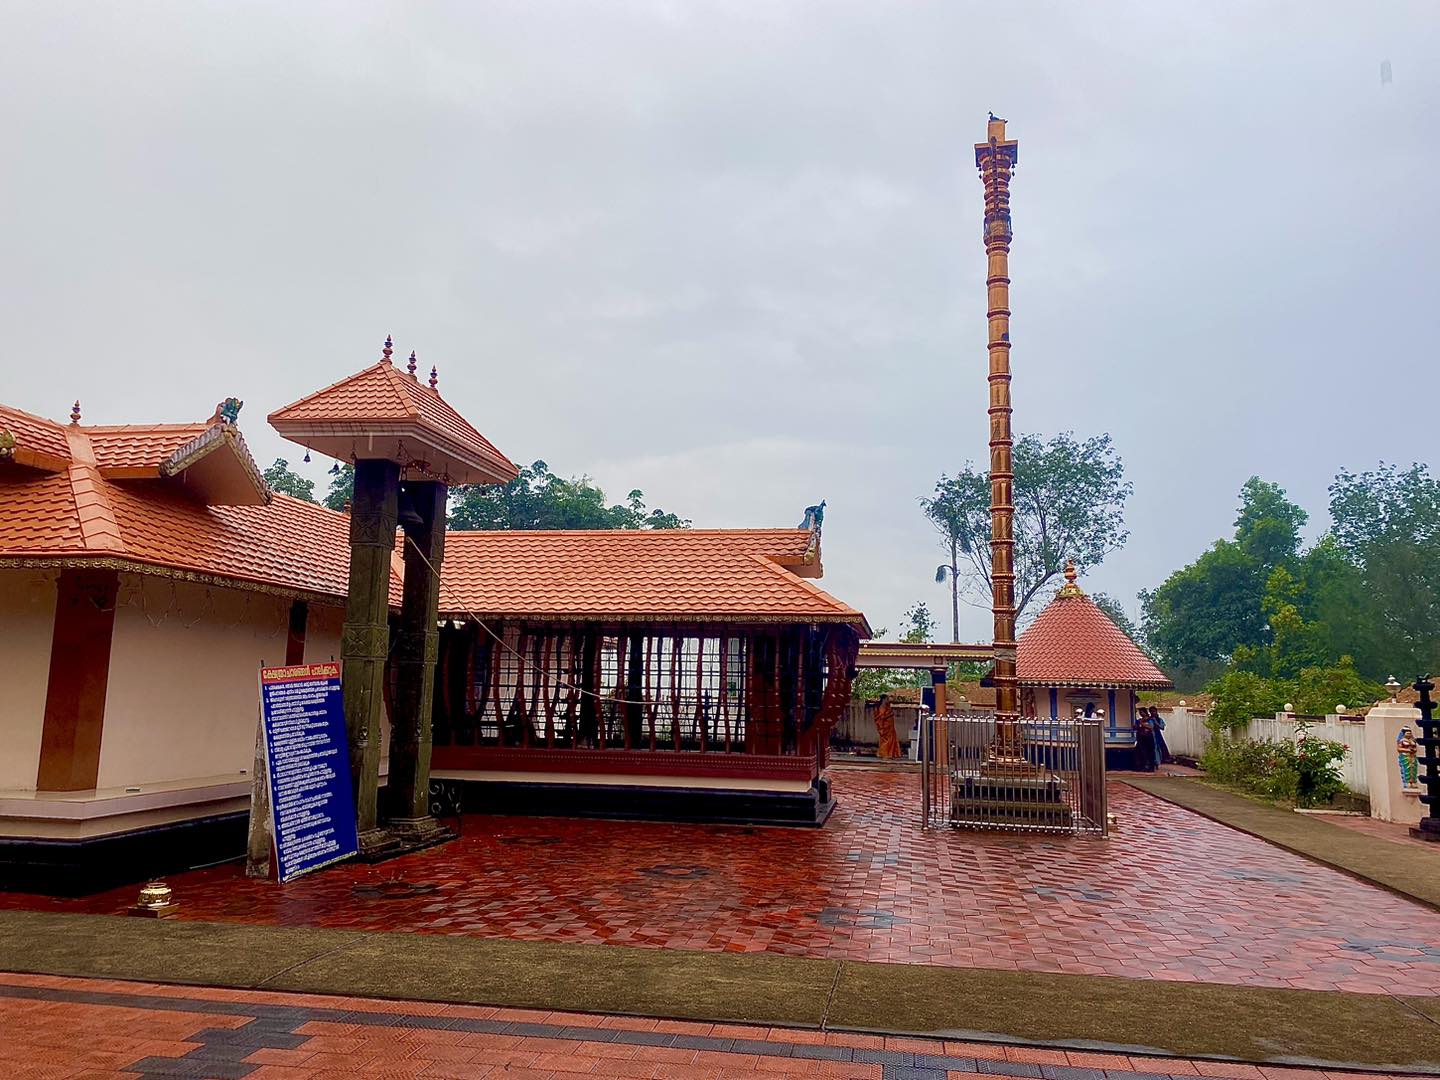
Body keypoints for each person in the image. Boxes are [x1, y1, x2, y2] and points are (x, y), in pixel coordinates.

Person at [874, 693, 902, 759]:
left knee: (891, 740)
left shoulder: (887, 706)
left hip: (890, 727)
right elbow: (882, 717)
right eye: (887, 699)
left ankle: (891, 754)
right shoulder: (882, 707)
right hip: (885, 727)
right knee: (887, 741)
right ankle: (885, 754)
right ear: (884, 699)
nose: (888, 700)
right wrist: (890, 714)